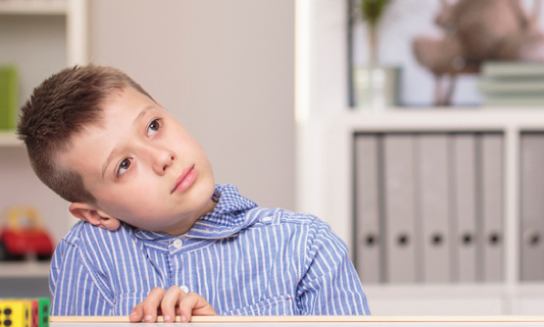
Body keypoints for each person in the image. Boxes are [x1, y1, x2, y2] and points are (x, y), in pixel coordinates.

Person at [16, 65, 370, 322]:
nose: (162, 158)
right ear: (96, 214)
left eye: (153, 126)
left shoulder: (306, 247)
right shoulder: (89, 258)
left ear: (165, 108)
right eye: (123, 165)